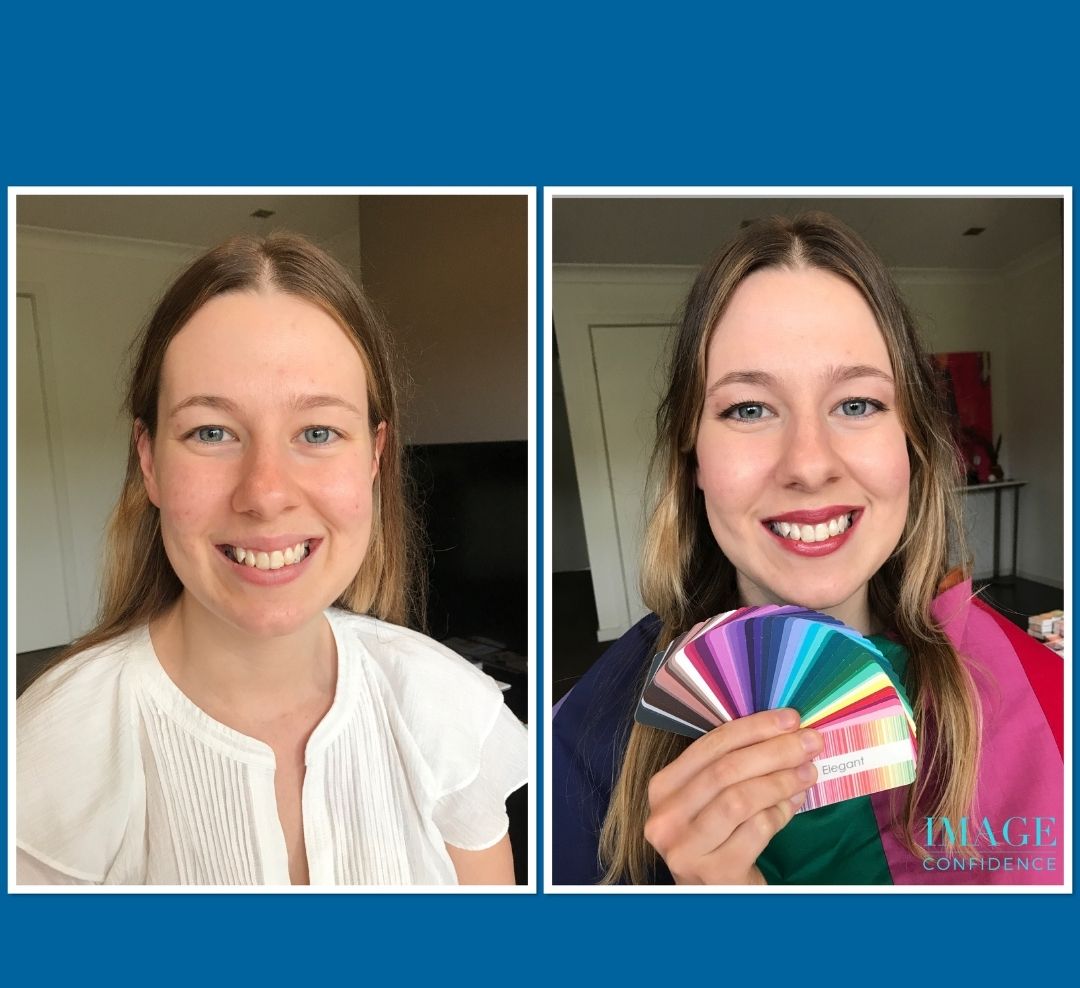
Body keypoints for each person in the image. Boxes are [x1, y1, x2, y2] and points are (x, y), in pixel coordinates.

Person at [553, 212, 1063, 887]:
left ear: (911, 442)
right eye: (749, 409)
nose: (809, 464)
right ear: (693, 453)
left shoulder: (1045, 696)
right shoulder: (584, 740)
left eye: (856, 404)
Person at [17, 233, 528, 887]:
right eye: (211, 432)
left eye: (318, 432)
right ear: (148, 460)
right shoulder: (51, 756)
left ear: (373, 458)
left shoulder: (446, 707)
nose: (265, 493)